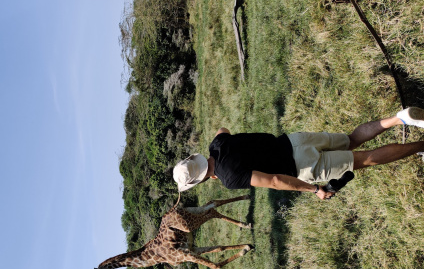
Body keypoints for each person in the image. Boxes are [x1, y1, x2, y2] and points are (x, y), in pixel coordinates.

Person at [173, 107, 424, 200]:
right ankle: (400, 118)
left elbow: (274, 180)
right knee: (350, 140)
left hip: (302, 165)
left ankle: (421, 145)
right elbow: (222, 129)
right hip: (295, 140)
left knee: (365, 159)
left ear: (202, 180)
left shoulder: (229, 178)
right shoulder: (217, 144)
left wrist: (314, 190)